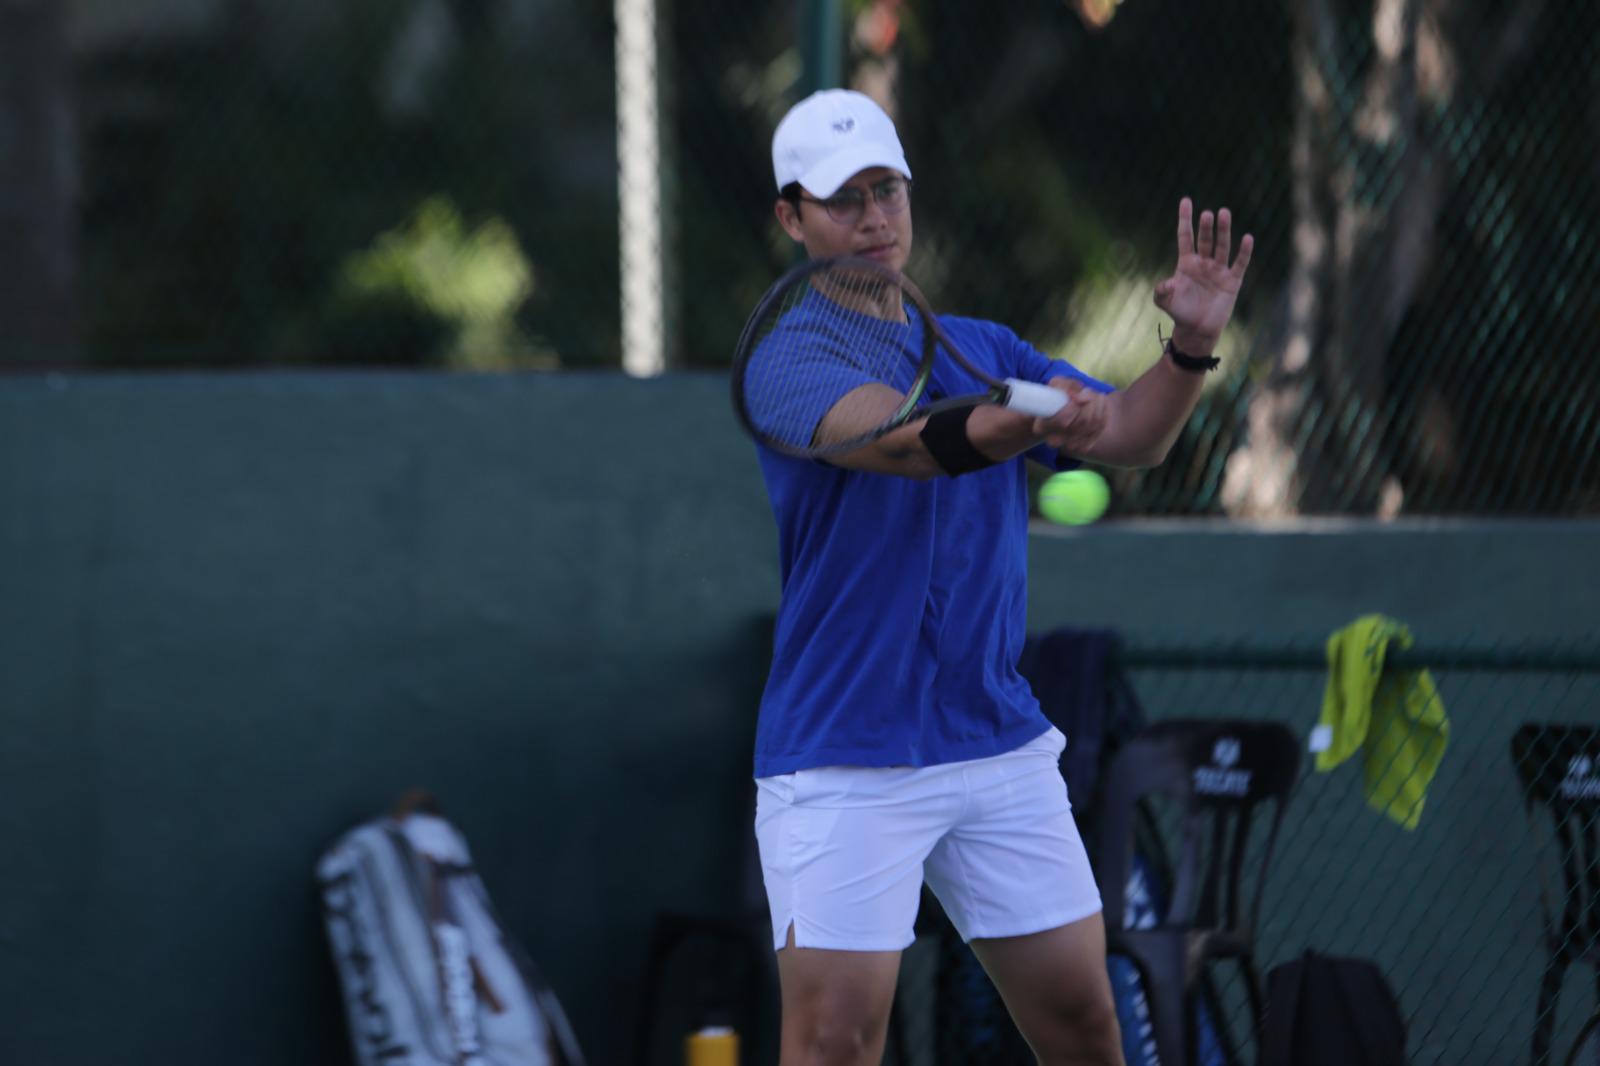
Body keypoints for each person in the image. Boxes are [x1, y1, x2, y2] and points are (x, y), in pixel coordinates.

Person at [749, 88, 1253, 1066]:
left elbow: (1133, 435)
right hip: (843, 754)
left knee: (1082, 1022)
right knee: (834, 1043)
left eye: (885, 190)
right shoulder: (787, 358)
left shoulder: (987, 349)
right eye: (840, 198)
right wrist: (1023, 421)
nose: (871, 217)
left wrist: (1187, 347)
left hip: (993, 743)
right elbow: (905, 445)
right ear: (792, 218)